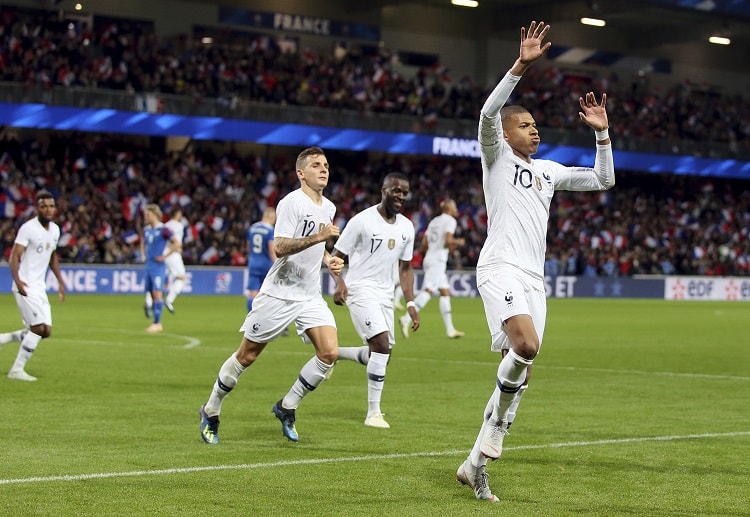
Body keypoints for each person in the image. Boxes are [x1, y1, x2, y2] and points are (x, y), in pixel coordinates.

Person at [455, 21, 615, 503]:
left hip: (532, 278)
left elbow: (602, 181)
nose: (534, 129)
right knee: (525, 345)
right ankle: (495, 433)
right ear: (505, 135)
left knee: (521, 369)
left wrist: (603, 136)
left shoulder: (547, 171)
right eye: (524, 125)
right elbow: (488, 112)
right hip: (499, 266)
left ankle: (474, 465)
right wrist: (520, 65)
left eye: (534, 125)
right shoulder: (496, 158)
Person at [198, 146, 344, 445]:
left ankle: (287, 406)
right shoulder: (291, 202)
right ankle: (211, 409)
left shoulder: (328, 207)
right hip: (279, 293)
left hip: (309, 294)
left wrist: (328, 258)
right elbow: (280, 246)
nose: (323, 169)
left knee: (329, 353)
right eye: (316, 165)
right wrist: (321, 237)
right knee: (246, 356)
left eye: (326, 165)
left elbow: (316, 246)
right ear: (301, 173)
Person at [332, 172, 419, 429]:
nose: (401, 196)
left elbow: (406, 268)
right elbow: (336, 257)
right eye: (396, 190)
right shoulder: (361, 221)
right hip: (360, 289)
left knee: (382, 354)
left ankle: (333, 354)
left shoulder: (407, 227)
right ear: (384, 191)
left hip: (385, 294)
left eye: (405, 192)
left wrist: (411, 303)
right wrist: (340, 283)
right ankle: (373, 413)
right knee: (381, 344)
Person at [0, 191, 65, 381]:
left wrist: (60, 281)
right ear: (37, 208)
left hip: (39, 287)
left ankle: (3, 339)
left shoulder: (55, 230)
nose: (48, 209)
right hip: (26, 285)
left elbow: (52, 257)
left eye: (51, 206)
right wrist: (18, 280)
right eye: (44, 206)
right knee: (38, 328)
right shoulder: (28, 228)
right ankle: (16, 370)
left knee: (46, 331)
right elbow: (14, 256)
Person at [399, 198, 465, 339]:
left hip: (430, 257)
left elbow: (424, 244)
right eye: (454, 206)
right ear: (448, 208)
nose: (456, 209)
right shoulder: (450, 221)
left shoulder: (434, 221)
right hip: (438, 261)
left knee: (445, 292)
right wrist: (458, 242)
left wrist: (435, 248)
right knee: (428, 291)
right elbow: (448, 240)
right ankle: (406, 318)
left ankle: (450, 330)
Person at [140, 204, 180, 333]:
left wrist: (164, 256)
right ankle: (156, 320)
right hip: (149, 266)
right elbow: (143, 242)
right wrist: (143, 255)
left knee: (157, 293)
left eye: (148, 215)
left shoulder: (164, 229)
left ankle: (157, 323)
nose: (145, 217)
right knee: (152, 294)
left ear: (155, 215)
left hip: (158, 267)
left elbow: (177, 243)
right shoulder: (146, 230)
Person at [145, 206, 185, 315]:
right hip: (172, 254)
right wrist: (177, 249)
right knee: (181, 277)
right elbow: (176, 242)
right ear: (177, 214)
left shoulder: (165, 225)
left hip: (161, 253)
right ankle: (169, 300)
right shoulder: (179, 225)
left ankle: (149, 302)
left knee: (160, 282)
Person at [245, 207, 277, 312]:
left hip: (253, 263)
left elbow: (248, 247)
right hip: (266, 264)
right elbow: (271, 249)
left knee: (252, 294)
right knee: (269, 293)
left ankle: (250, 318)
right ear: (271, 217)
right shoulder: (270, 230)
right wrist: (276, 263)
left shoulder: (252, 228)